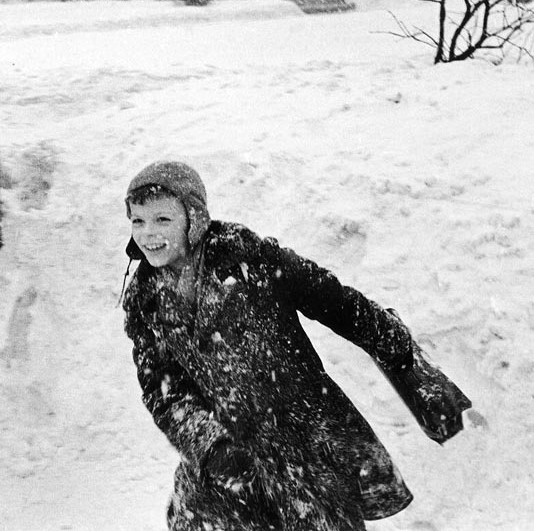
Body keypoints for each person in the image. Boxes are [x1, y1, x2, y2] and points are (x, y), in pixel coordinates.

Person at [121, 160, 471, 531]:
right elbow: (164, 392)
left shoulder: (246, 257)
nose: (148, 234)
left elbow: (334, 301)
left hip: (303, 441)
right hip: (226, 463)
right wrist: (211, 447)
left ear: (194, 218)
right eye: (138, 221)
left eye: (163, 220)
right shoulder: (144, 299)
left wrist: (402, 356)